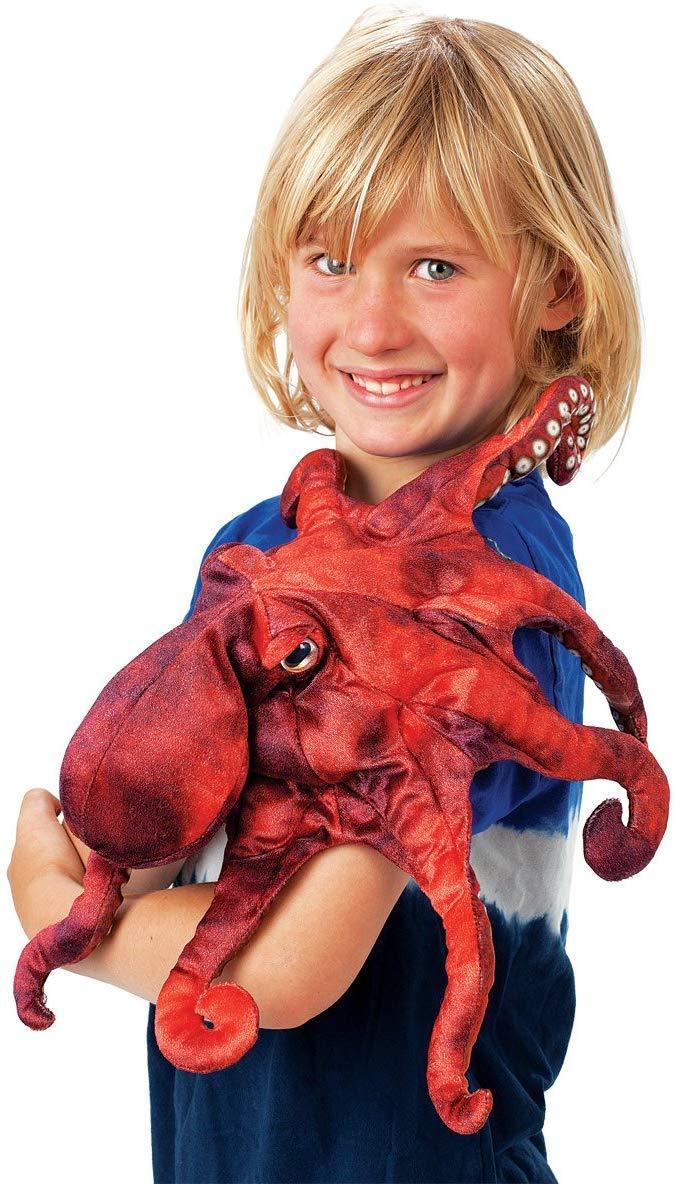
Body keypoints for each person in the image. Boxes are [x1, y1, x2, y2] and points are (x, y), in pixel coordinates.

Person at [8, 10, 645, 1183]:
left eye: (436, 267)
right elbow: (159, 824)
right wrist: (106, 871)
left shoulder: (491, 589)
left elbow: (290, 964)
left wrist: (62, 915)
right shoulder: (252, 548)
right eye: (332, 260)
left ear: (557, 285)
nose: (371, 323)